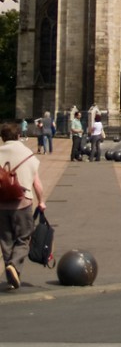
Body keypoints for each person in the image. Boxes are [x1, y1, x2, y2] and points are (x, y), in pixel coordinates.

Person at [0, 121, 46, 290]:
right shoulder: (27, 154)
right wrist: (41, 201)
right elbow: (37, 184)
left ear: (2, 137)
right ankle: (13, 266)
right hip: (22, 203)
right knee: (24, 238)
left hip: (1, 205)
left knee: (6, 240)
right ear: (19, 135)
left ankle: (12, 275)